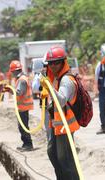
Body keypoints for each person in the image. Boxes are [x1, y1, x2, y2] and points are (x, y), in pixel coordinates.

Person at [40, 46, 80, 180]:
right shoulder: (56, 78)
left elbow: (61, 100)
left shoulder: (67, 80)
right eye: (50, 63)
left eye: (56, 62)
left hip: (66, 126)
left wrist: (49, 87)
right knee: (52, 153)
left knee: (65, 159)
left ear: (63, 62)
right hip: (57, 125)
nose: (53, 66)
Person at [6, 60, 34, 152]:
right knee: (23, 126)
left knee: (23, 126)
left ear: (14, 71)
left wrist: (9, 90)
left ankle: (28, 144)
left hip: (23, 107)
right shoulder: (23, 77)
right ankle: (26, 144)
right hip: (23, 106)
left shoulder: (21, 79)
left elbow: (19, 92)